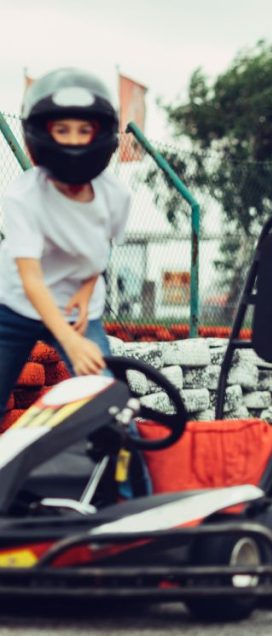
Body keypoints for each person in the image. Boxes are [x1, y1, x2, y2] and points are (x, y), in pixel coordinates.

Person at [0, 68, 129, 418]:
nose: (73, 140)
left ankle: (125, 475)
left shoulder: (115, 195)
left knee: (109, 408)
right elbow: (31, 278)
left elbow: (100, 250)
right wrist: (70, 343)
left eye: (83, 130)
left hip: (78, 313)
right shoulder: (23, 196)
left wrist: (86, 290)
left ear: (101, 134)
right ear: (41, 134)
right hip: (15, 305)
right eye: (62, 130)